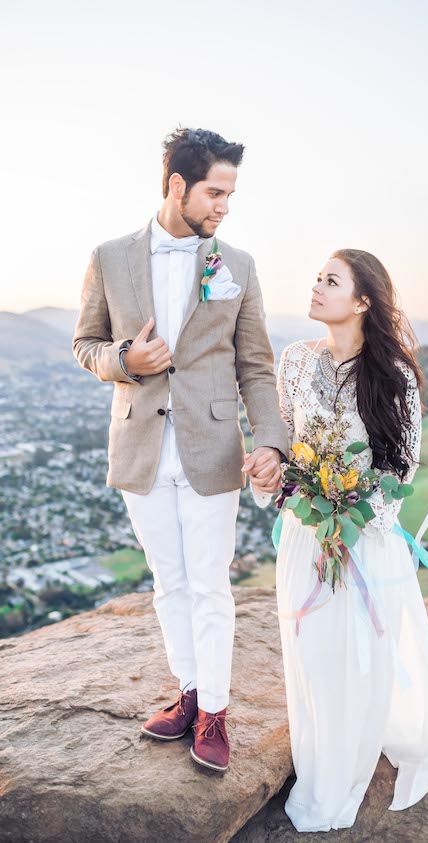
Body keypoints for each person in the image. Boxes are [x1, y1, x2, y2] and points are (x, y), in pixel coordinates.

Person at [72, 127, 289, 773]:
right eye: (215, 191)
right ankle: (190, 695)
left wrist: (272, 440)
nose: (224, 205)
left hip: (213, 446)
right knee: (169, 583)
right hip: (140, 444)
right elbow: (85, 343)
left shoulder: (239, 266)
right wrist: (125, 360)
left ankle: (217, 713)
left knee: (210, 586)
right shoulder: (109, 257)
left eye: (230, 193)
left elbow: (255, 365)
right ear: (176, 185)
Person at [247, 249, 428, 831]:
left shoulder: (395, 377)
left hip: (364, 542)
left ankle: (343, 774)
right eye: (316, 277)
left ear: (362, 301)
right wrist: (271, 475)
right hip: (305, 539)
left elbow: (401, 471)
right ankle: (317, 760)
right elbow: (282, 448)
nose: (315, 287)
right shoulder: (293, 363)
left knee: (356, 661)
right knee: (311, 658)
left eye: (329, 281)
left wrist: (347, 516)